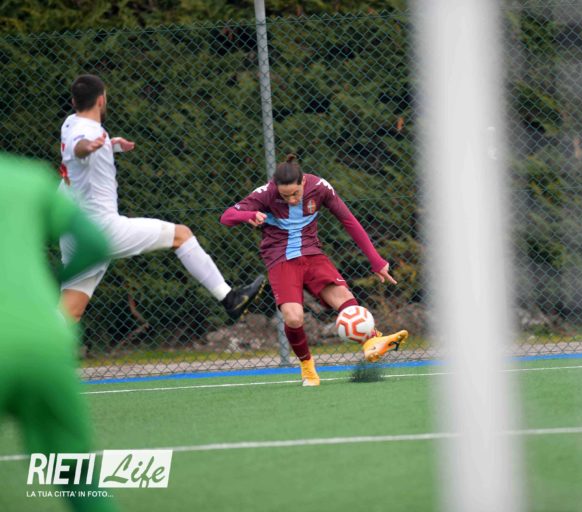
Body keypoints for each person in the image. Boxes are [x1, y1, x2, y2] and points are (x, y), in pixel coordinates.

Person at [58, 74, 262, 324]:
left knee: (70, 312)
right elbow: (79, 146)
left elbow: (76, 153)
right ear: (101, 100)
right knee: (181, 235)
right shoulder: (87, 132)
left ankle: (33, 348)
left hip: (74, 230)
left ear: (74, 102)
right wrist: (88, 146)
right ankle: (231, 299)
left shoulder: (70, 123)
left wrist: (109, 145)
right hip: (100, 230)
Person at [220, 154, 408, 386]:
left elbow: (348, 220)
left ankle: (373, 341)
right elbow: (227, 217)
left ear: (303, 182)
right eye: (285, 196)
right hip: (280, 259)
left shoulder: (320, 187)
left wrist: (375, 260)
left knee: (346, 300)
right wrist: (249, 214)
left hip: (312, 254)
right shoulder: (265, 193)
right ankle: (307, 367)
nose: (291, 200)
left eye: (295, 193)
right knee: (293, 317)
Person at [0, 153, 116, 511]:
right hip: (42, 339)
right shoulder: (28, 177)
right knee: (79, 480)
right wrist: (42, 290)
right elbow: (95, 244)